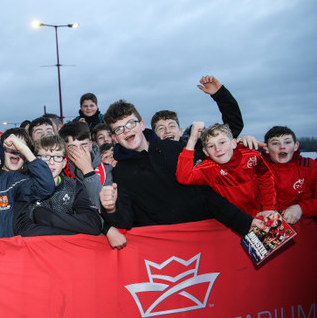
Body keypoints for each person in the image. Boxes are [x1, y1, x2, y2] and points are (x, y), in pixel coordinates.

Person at [99, 100, 263, 236]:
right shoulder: (120, 173)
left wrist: (244, 222)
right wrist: (111, 209)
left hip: (207, 233)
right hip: (168, 249)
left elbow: (207, 192)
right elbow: (126, 221)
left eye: (130, 123)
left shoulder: (173, 149)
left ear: (141, 125)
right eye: (119, 129)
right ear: (114, 138)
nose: (126, 130)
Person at [176, 122, 276, 217]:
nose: (218, 149)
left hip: (259, 215)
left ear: (233, 143)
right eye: (211, 146)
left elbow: (266, 180)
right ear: (205, 152)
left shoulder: (252, 156)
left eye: (222, 142)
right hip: (233, 222)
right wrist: (193, 140)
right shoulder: (208, 168)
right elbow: (183, 177)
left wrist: (268, 208)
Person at [14, 135, 102, 236]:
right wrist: (72, 230)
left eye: (57, 157)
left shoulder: (74, 187)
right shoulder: (25, 187)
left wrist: (45, 216)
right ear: (35, 161)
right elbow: (23, 229)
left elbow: (93, 224)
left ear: (64, 163)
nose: (51, 162)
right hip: (37, 248)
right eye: (45, 156)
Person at [58, 121, 126, 249]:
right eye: (73, 147)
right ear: (65, 150)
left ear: (90, 145)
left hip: (105, 241)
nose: (80, 151)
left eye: (83, 145)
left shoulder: (108, 171)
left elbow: (104, 208)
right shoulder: (59, 172)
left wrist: (88, 171)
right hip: (74, 240)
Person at [150, 75, 244, 142]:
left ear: (180, 131)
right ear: (154, 134)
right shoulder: (149, 158)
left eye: (172, 126)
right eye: (161, 128)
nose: (168, 131)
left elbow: (232, 128)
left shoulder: (197, 150)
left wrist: (219, 94)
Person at [262, 126, 317, 224]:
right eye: (275, 143)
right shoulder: (258, 168)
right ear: (266, 148)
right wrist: (241, 144)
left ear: (296, 146)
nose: (282, 146)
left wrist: (301, 208)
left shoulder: (309, 166)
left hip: (304, 224)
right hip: (267, 225)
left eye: (287, 142)